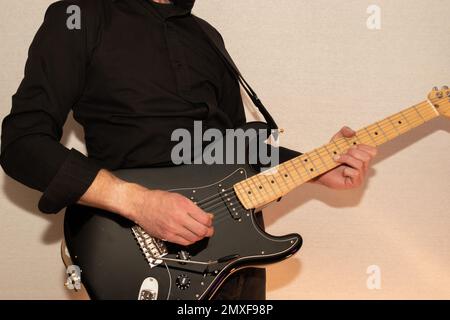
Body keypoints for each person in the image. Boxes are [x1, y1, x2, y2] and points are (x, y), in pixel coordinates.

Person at [0, 0, 377, 300]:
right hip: (139, 262)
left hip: (235, 263)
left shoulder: (207, 36)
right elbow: (22, 143)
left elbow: (234, 149)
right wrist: (138, 203)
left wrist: (316, 167)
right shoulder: (78, 16)